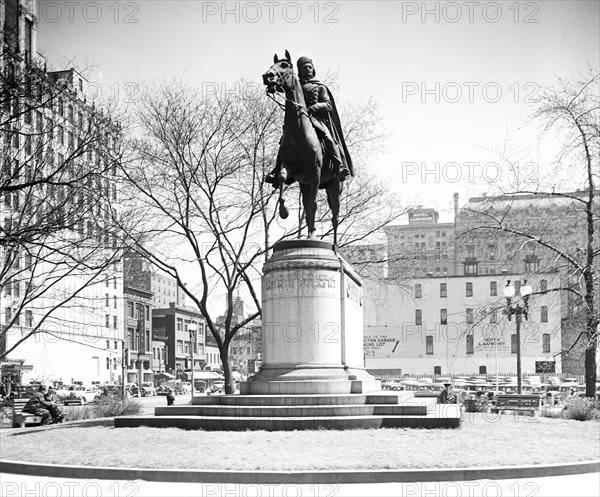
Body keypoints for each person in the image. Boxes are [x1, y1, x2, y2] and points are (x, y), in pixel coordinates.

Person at [265, 56, 353, 187]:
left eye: (309, 67)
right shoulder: (296, 86)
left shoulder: (320, 87)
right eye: (304, 67)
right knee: (284, 140)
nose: (307, 69)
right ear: (299, 70)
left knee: (328, 137)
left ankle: (339, 166)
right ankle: (276, 169)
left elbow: (327, 105)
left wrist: (315, 107)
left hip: (316, 119)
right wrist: (273, 86)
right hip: (300, 118)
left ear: (313, 69)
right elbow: (284, 88)